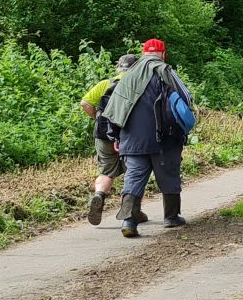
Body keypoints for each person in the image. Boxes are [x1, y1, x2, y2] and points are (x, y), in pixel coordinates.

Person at [101, 38, 195, 238]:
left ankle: (129, 221)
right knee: (169, 176)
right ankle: (171, 217)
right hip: (165, 139)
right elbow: (186, 98)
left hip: (132, 139)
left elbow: (114, 107)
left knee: (134, 178)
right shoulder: (165, 71)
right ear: (163, 54)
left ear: (143, 53)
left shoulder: (128, 75)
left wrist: (115, 136)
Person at [79, 53, 147, 227]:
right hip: (130, 135)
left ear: (118, 68)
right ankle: (132, 211)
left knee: (106, 171)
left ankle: (99, 195)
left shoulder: (106, 84)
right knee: (134, 173)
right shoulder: (138, 85)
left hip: (104, 135)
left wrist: (97, 118)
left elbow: (85, 103)